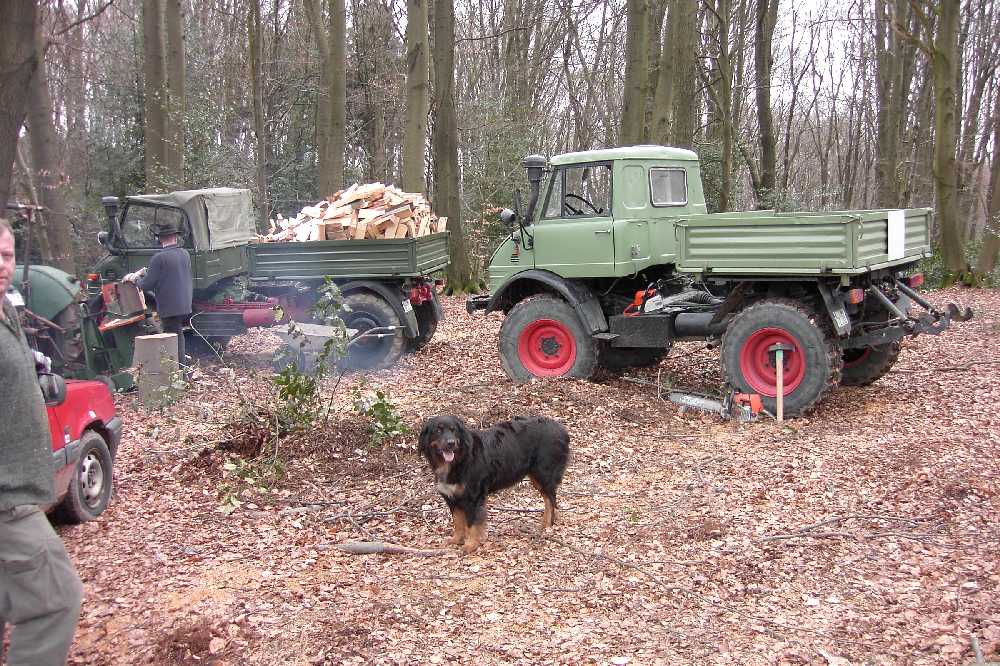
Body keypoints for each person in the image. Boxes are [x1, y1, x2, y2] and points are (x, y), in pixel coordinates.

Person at [0, 218, 85, 665]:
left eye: (7, 255)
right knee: (57, 600)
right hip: (5, 500)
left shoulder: (6, 308)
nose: (1, 265)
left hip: (16, 493)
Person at [124, 220, 193, 364]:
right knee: (178, 335)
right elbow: (171, 275)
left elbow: (147, 285)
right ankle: (182, 369)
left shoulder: (158, 258)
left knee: (172, 339)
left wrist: (134, 279)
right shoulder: (184, 253)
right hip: (185, 304)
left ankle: (179, 371)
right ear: (175, 237)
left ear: (160, 239)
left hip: (169, 307)